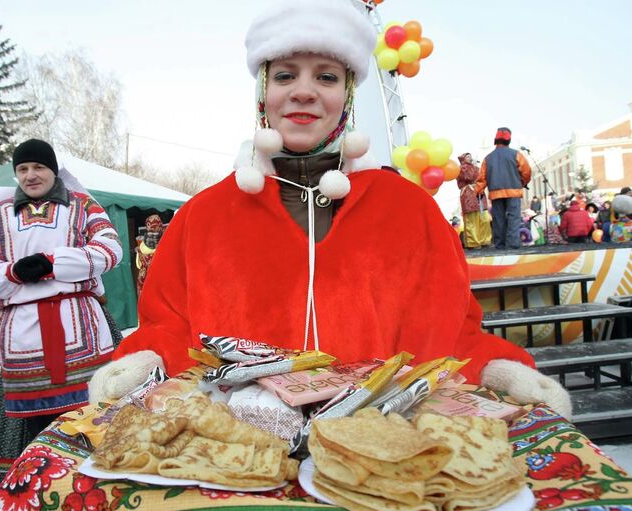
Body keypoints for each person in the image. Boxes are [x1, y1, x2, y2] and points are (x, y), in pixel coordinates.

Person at [88, 0, 571, 418]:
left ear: (347, 95)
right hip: (238, 455)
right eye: (284, 75)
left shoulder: (410, 211)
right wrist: (148, 356)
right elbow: (170, 323)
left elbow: (449, 326)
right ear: (263, 93)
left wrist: (495, 366)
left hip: (382, 452)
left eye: (325, 76)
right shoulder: (203, 216)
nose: (303, 91)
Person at [0, 139, 123, 446]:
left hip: (79, 324)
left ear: (53, 170)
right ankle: (43, 479)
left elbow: (110, 249)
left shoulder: (82, 205)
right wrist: (12, 272)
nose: (30, 175)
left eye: (39, 167)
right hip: (23, 333)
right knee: (37, 421)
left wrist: (53, 262)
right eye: (22, 169)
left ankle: (91, 481)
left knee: (93, 411)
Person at [474, 127, 532, 249]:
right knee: (513, 218)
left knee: (498, 219)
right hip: (514, 191)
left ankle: (500, 244)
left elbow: (481, 178)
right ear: (509, 140)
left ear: (496, 140)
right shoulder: (516, 154)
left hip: (495, 193)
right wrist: (522, 183)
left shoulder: (488, 158)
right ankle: (512, 244)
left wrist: (478, 191)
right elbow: (526, 172)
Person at [455, 152, 491, 249]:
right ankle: (473, 242)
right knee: (472, 219)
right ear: (463, 159)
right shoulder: (462, 168)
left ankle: (485, 240)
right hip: (468, 194)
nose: (470, 157)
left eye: (470, 156)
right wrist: (475, 168)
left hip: (479, 193)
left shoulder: (475, 167)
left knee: (484, 217)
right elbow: (469, 177)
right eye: (467, 156)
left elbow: (482, 177)